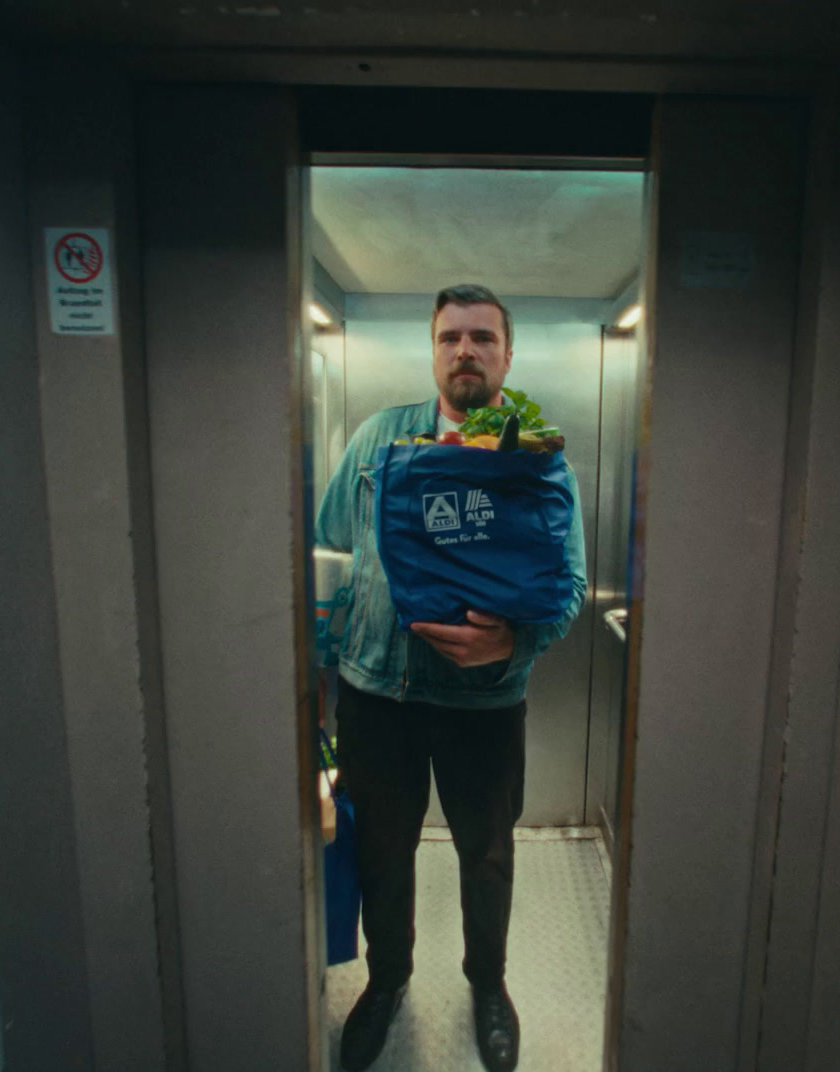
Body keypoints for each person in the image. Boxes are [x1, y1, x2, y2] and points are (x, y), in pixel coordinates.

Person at [315, 283, 588, 1072]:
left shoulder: (536, 455)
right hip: (378, 693)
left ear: (507, 354)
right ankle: (387, 980)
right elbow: (334, 543)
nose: (464, 351)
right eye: (449, 338)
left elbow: (567, 587)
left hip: (486, 703)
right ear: (433, 350)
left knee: (487, 852)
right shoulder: (378, 440)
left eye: (481, 338)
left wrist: (515, 643)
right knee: (382, 852)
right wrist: (321, 665)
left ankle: (489, 987)